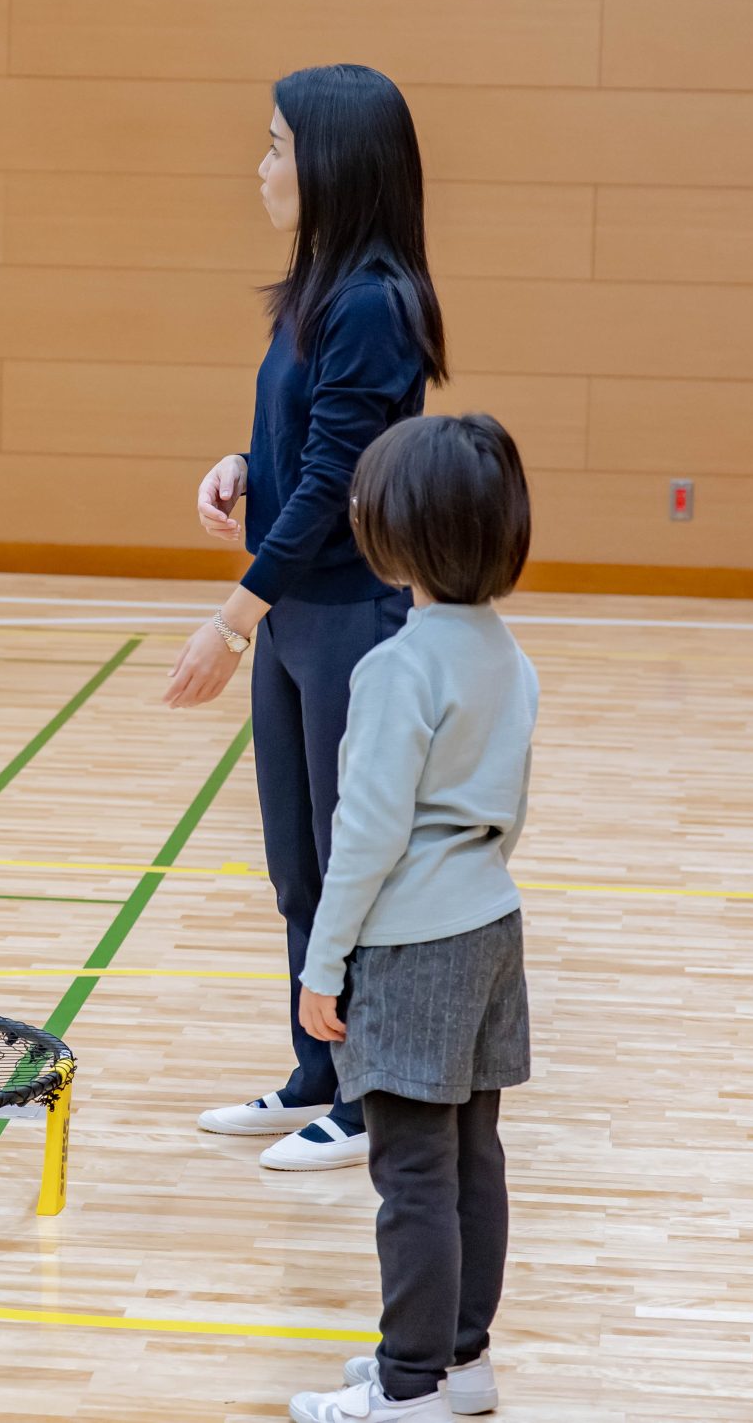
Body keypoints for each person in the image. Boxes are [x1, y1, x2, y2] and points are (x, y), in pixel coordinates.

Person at [164, 65, 447, 1172]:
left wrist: (230, 622)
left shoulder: (376, 303)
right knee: (299, 862)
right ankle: (316, 1072)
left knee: (354, 861)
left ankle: (373, 1095)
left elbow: (337, 478)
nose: (262, 165)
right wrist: (242, 461)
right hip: (294, 617)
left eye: (278, 145)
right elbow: (305, 441)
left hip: (346, 621)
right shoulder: (317, 289)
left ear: (334, 163)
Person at [285, 412, 536, 1423]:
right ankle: (457, 1360)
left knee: (413, 1172)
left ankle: (408, 1386)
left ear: (401, 536)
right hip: (490, 925)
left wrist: (321, 962)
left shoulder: (397, 667)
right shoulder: (504, 654)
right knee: (472, 1151)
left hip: (415, 940)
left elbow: (367, 834)